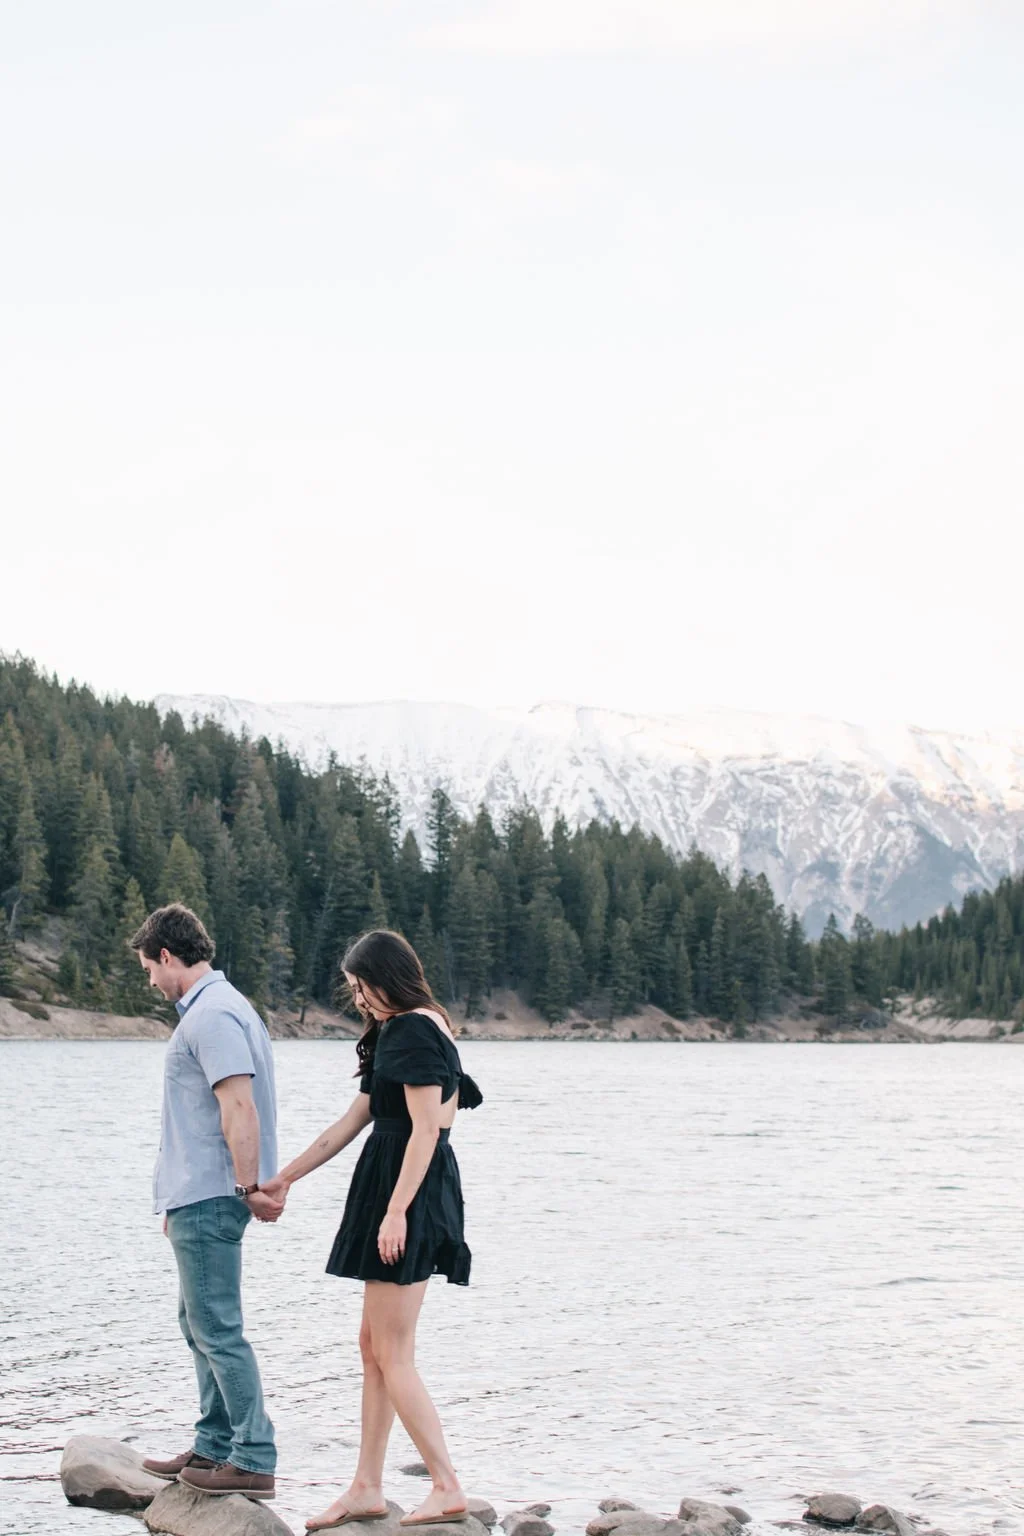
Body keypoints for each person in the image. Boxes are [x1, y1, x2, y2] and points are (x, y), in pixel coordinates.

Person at [261, 929, 482, 1534]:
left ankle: (445, 1484)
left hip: (405, 1189)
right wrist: (287, 1177)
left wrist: (395, 1211)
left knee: (392, 1351)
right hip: (402, 1183)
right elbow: (357, 1118)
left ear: (386, 977)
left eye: (361, 986)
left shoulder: (412, 1027)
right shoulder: (408, 1025)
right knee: (374, 1347)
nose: (357, 998)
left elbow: (426, 1128)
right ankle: (367, 1487)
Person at [133, 903, 283, 1503]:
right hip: (196, 1195)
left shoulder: (213, 1015)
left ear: (168, 957)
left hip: (211, 1194)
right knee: (198, 1325)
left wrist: (246, 1189)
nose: (149, 980)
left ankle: (252, 1455)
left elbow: (237, 1106)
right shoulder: (217, 1008)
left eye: (148, 967)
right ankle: (215, 1442)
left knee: (218, 1329)